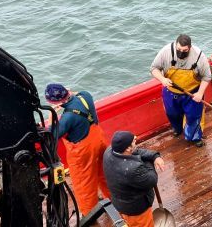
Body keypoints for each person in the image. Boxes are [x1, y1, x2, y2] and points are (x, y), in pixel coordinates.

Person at [45, 83, 111, 216]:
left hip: (83, 151)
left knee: (84, 182)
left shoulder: (67, 118)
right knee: (105, 172)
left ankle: (89, 212)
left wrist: (51, 117)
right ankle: (112, 198)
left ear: (54, 102)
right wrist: (68, 96)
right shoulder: (85, 96)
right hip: (100, 140)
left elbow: (52, 134)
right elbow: (77, 95)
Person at [150, 34, 212, 147]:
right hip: (171, 91)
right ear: (175, 45)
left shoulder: (199, 56)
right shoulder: (165, 52)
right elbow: (154, 68)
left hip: (192, 93)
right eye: (179, 49)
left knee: (194, 116)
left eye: (185, 50)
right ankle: (178, 129)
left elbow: (207, 77)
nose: (181, 52)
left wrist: (200, 93)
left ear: (190, 47)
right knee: (172, 113)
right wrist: (162, 79)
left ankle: (194, 137)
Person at [103, 131, 166, 227]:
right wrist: (150, 161)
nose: (135, 142)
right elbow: (152, 180)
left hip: (120, 203)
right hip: (136, 211)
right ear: (127, 148)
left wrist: (154, 156)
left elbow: (135, 151)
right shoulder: (132, 170)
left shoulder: (110, 151)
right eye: (133, 141)